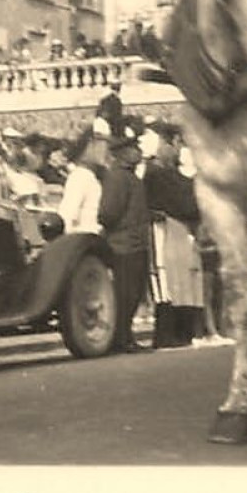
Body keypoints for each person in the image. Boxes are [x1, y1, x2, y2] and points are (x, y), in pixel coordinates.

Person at [142, 126, 206, 349]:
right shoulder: (156, 175)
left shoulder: (170, 175)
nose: (177, 150)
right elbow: (184, 202)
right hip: (165, 233)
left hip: (178, 233)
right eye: (174, 145)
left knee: (183, 281)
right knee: (167, 281)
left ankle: (182, 333)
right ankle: (168, 334)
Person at [98, 121, 153, 354]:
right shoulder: (119, 178)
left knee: (132, 293)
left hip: (134, 242)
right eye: (133, 148)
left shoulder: (128, 177)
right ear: (121, 153)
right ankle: (121, 338)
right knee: (126, 293)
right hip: (124, 245)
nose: (138, 151)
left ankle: (125, 336)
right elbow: (108, 213)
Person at [57, 125, 107, 234]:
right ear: (89, 146)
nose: (105, 149)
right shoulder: (79, 177)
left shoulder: (91, 177)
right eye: (101, 143)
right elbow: (67, 216)